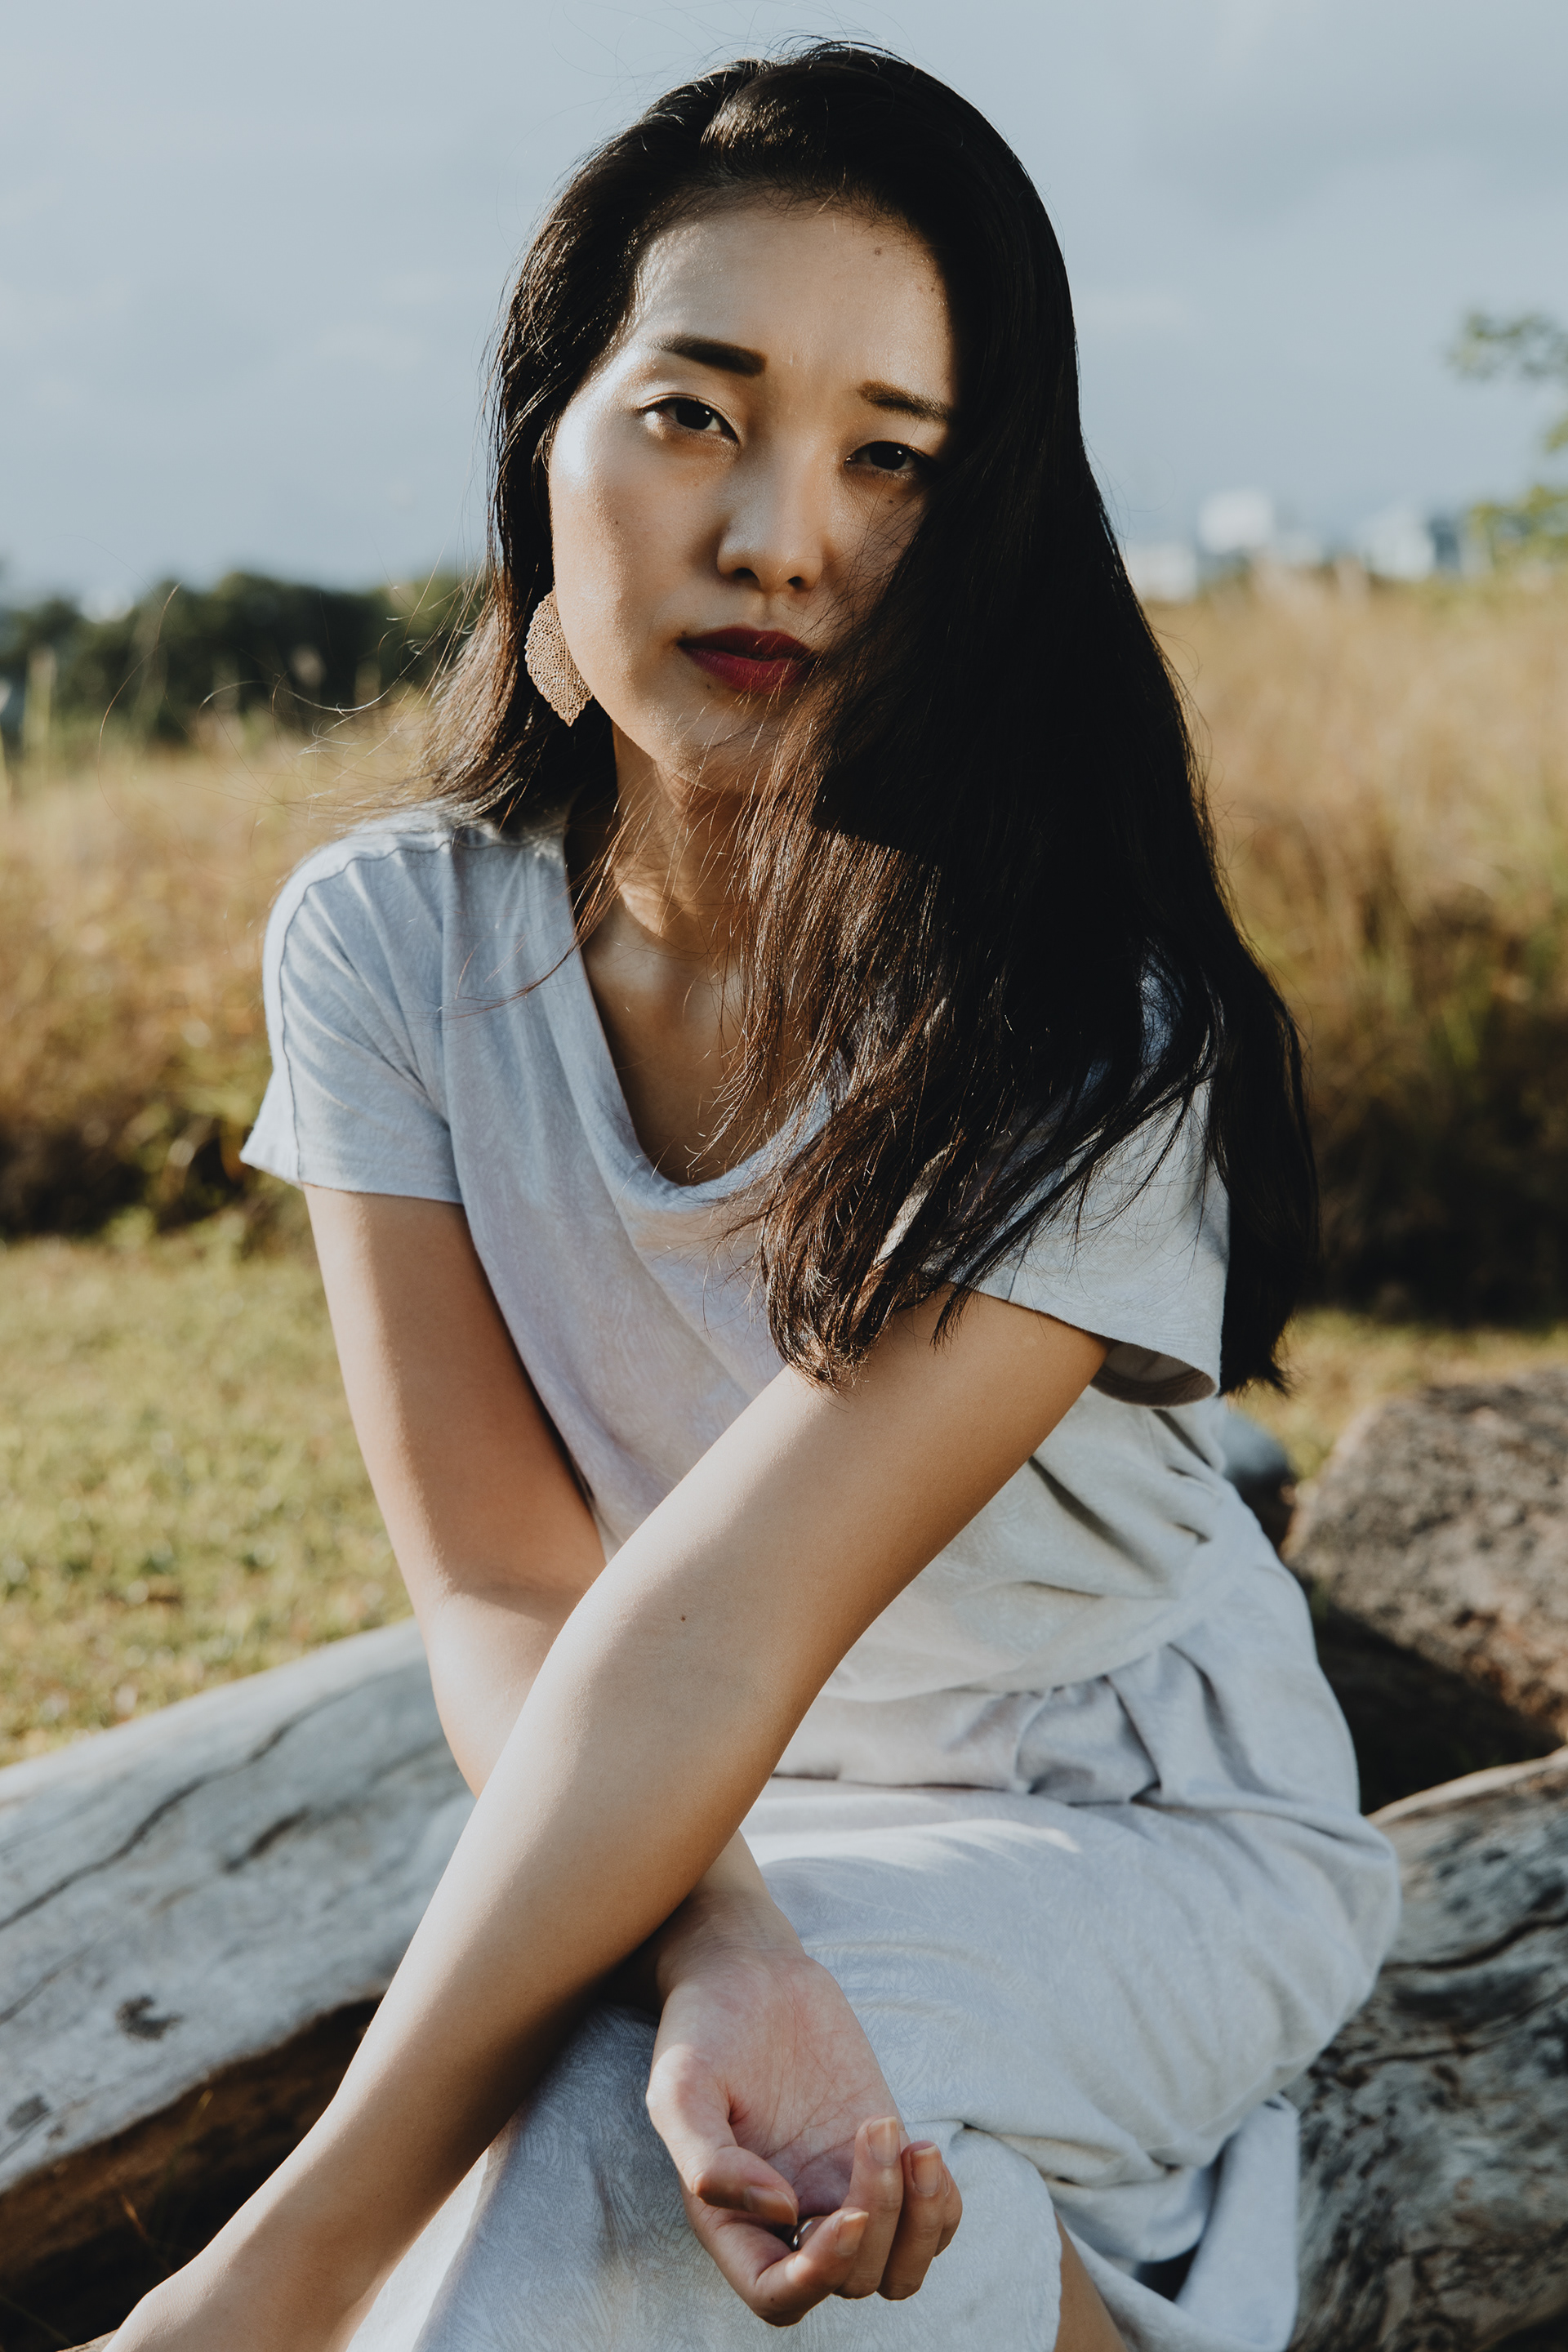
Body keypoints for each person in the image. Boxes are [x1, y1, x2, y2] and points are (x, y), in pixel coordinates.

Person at [112, 44, 1399, 2352]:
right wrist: (717, 1932)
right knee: (681, 2135)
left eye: (890, 457)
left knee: (582, 2144)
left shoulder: (1077, 1034)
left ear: (971, 532)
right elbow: (513, 1584)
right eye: (698, 410)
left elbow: (715, 1618)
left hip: (1139, 1826)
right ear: (545, 447)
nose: (783, 532)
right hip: (715, 1801)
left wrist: (265, 2285)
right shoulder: (389, 943)